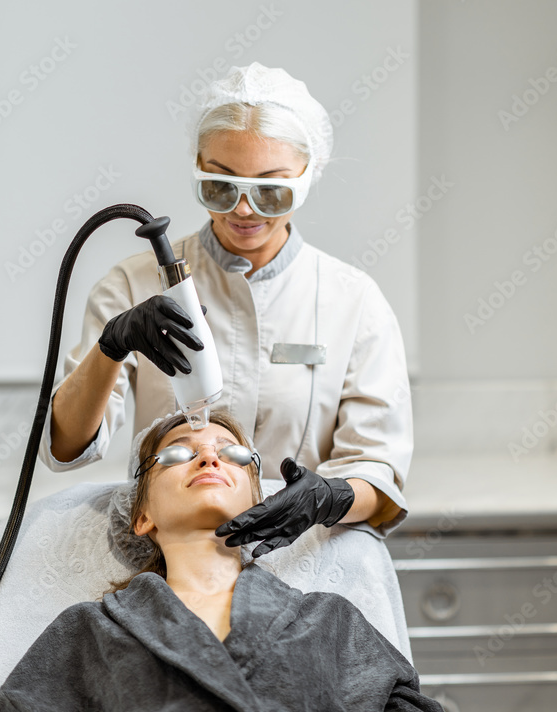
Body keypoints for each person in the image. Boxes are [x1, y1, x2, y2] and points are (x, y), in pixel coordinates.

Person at [38, 61, 413, 553]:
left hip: (299, 556)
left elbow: (377, 471)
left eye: (271, 192)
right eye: (220, 185)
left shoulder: (354, 301)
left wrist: (329, 497)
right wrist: (110, 348)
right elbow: (65, 449)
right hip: (166, 564)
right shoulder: (132, 284)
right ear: (198, 167)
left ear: (308, 176)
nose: (243, 209)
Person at [0, 412, 449, 712]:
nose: (209, 457)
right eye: (178, 453)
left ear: (260, 500)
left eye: (234, 455)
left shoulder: (330, 619)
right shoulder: (87, 631)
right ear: (141, 517)